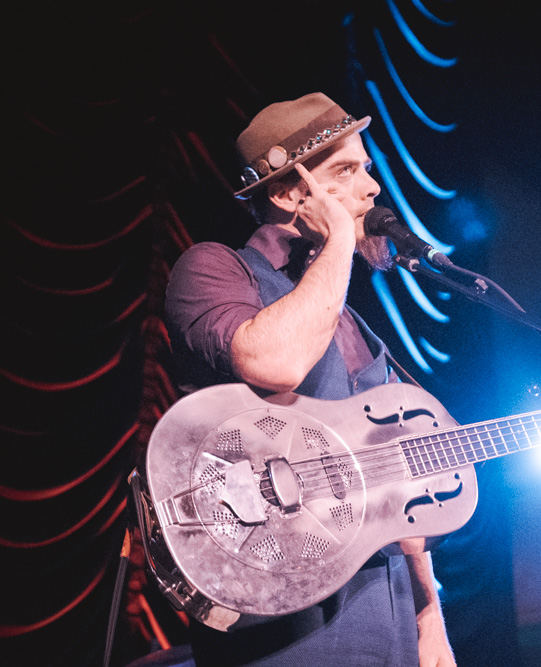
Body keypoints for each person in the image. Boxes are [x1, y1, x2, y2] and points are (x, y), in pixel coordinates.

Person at [164, 92, 456, 666]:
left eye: (366, 169)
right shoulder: (215, 269)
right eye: (346, 171)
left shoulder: (348, 320)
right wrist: (341, 240)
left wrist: (429, 619)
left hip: (386, 615)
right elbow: (276, 363)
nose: (372, 188)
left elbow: (399, 483)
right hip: (280, 618)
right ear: (286, 193)